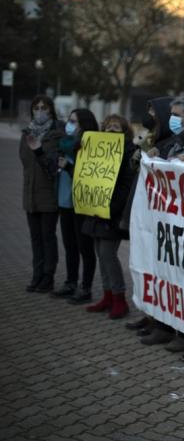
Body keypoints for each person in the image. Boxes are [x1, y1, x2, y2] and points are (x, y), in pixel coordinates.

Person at [124, 97, 175, 334]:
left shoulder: (170, 142)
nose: (150, 115)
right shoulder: (150, 138)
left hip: (162, 216)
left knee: (163, 269)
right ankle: (151, 313)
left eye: (154, 111)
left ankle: (163, 322)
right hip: (147, 210)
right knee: (148, 264)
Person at [82, 115, 137, 319]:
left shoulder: (129, 151)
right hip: (95, 210)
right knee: (100, 254)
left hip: (111, 213)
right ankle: (107, 296)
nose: (111, 130)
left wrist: (109, 208)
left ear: (124, 131)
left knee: (108, 255)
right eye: (108, 126)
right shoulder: (96, 148)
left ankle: (119, 299)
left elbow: (126, 185)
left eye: (116, 127)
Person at [54, 108, 100, 305]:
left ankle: (86, 288)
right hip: (65, 201)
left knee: (85, 248)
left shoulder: (91, 146)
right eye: (69, 120)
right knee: (70, 245)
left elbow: (89, 176)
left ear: (84, 125)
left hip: (82, 204)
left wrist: (69, 167)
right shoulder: (64, 144)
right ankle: (71, 282)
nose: (69, 124)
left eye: (74, 121)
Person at [20, 95, 63, 293]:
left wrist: (40, 151)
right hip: (30, 193)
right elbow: (25, 162)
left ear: (50, 110)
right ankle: (37, 275)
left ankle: (48, 277)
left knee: (48, 237)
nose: (39, 111)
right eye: (36, 107)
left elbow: (53, 166)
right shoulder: (26, 132)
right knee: (35, 238)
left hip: (49, 194)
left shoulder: (57, 133)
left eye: (43, 107)